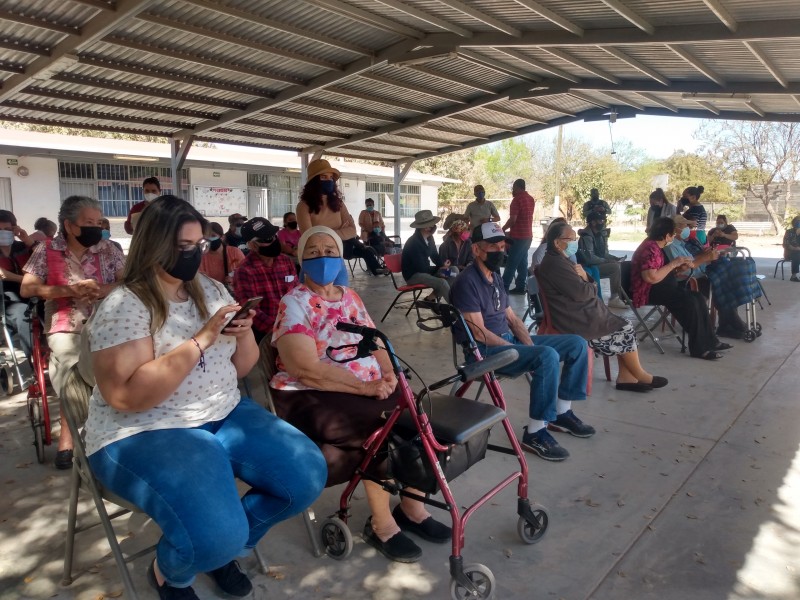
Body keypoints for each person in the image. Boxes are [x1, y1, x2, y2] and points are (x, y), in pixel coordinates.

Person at [83, 195, 326, 600]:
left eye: (199, 245)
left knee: (304, 478)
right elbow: (127, 396)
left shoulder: (210, 289)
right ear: (154, 245)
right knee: (215, 534)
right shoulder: (125, 304)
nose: (193, 254)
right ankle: (172, 572)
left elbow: (240, 368)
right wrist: (202, 338)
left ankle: (218, 549)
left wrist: (243, 330)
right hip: (145, 428)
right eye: (182, 247)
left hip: (221, 410)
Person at [270, 226, 451, 563]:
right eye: (313, 252)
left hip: (367, 386)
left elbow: (376, 340)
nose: (322, 257)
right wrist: (366, 387)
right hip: (313, 393)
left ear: (340, 256)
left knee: (421, 418)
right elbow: (304, 367)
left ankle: (412, 508)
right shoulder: (293, 302)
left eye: (329, 250)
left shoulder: (349, 296)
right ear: (301, 260)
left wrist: (391, 375)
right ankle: (381, 525)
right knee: (381, 432)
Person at [450, 222, 594, 462]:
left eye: (502, 245)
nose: (500, 250)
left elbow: (513, 320)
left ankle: (561, 412)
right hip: (484, 353)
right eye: (492, 246)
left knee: (576, 343)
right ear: (476, 249)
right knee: (546, 356)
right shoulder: (467, 282)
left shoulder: (494, 277)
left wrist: (527, 346)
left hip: (507, 343)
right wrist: (515, 349)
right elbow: (479, 333)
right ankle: (536, 432)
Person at [21, 196, 126, 469]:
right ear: (69, 225)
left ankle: (105, 431)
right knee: (74, 370)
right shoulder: (47, 250)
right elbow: (28, 288)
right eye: (89, 222)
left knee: (117, 367)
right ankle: (69, 436)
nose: (96, 227)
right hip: (66, 323)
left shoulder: (110, 249)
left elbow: (128, 282)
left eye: (98, 221)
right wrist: (70, 290)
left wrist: (102, 290)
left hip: (108, 321)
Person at [537, 221, 667, 392]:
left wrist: (586, 279)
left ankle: (626, 377)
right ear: (556, 242)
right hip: (574, 319)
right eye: (571, 239)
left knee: (624, 324)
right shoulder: (555, 264)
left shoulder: (561, 259)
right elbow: (581, 293)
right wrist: (591, 284)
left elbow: (584, 285)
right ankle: (639, 375)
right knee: (624, 328)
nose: (574, 243)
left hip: (581, 312)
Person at [630, 217, 730, 360]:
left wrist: (679, 267)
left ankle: (711, 341)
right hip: (649, 291)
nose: (674, 237)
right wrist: (673, 264)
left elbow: (662, 270)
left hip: (664, 287)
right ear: (666, 236)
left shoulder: (656, 246)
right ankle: (699, 348)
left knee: (698, 298)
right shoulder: (649, 249)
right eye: (672, 234)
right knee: (689, 303)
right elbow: (650, 278)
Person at [296, 159, 387, 277]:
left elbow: (352, 230)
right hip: (317, 259)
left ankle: (377, 268)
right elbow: (310, 237)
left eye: (331, 178)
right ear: (313, 181)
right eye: (323, 177)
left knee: (342, 290)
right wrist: (341, 232)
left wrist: (323, 231)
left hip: (339, 255)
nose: (328, 180)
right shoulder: (303, 206)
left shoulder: (338, 203)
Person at [664, 216, 749, 339]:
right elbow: (683, 269)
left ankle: (728, 325)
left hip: (699, 274)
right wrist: (704, 258)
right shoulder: (671, 247)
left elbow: (693, 261)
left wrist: (705, 255)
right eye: (684, 226)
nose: (688, 229)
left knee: (727, 283)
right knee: (720, 287)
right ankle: (733, 324)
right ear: (675, 229)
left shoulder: (682, 244)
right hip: (688, 280)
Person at [232, 217, 298, 344]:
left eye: (274, 236)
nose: (273, 241)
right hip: (265, 336)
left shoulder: (286, 261)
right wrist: (279, 331)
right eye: (267, 239)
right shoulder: (244, 271)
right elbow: (252, 311)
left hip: (293, 325)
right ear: (252, 245)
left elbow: (296, 293)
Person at [0, 210, 36, 357]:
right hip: (6, 300)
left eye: (7, 229)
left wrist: (28, 240)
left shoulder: (22, 248)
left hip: (34, 295)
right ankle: (33, 363)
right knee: (22, 312)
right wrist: (25, 280)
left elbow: (45, 259)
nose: (3, 232)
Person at [577, 212, 625, 309]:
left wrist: (613, 258)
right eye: (600, 220)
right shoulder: (587, 236)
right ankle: (614, 298)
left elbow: (603, 253)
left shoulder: (598, 235)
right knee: (614, 268)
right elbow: (590, 258)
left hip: (596, 264)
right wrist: (606, 261)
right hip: (588, 266)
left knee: (620, 264)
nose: (602, 223)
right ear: (593, 222)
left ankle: (621, 296)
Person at [402, 210, 451, 302]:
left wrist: (442, 265)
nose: (434, 226)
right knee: (442, 282)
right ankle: (459, 311)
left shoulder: (429, 238)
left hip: (424, 271)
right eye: (432, 224)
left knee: (453, 272)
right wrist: (439, 272)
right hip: (414, 275)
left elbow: (434, 255)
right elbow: (421, 268)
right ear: (425, 227)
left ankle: (429, 299)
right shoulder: (414, 243)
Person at [502, 179, 535, 294]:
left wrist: (503, 229)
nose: (512, 190)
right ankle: (521, 287)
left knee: (511, 263)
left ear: (517, 187)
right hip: (528, 236)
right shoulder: (531, 199)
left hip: (518, 236)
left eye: (513, 187)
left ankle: (503, 288)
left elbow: (513, 220)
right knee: (522, 262)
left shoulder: (516, 200)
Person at [199, 222, 245, 288]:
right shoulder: (201, 256)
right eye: (206, 236)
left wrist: (234, 280)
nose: (209, 239)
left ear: (222, 237)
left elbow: (246, 274)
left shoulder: (235, 252)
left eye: (213, 236)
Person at [784, 216, 800, 282]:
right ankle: (793, 276)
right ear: (794, 223)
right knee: (797, 255)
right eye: (797, 221)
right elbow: (785, 244)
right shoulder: (789, 232)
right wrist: (794, 248)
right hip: (790, 253)